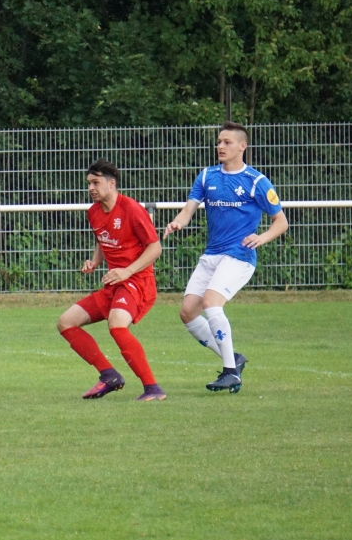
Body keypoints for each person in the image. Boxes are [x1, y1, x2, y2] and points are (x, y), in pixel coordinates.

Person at [163, 121, 288, 393]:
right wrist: (177, 223)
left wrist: (261, 237)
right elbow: (188, 210)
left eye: (227, 142)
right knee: (187, 312)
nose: (220, 146)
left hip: (239, 256)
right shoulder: (207, 176)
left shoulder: (256, 181)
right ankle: (234, 359)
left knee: (211, 303)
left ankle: (231, 372)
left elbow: (281, 222)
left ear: (242, 146)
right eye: (219, 141)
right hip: (212, 255)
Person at [57, 160, 165, 401]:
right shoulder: (93, 212)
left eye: (96, 183)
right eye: (88, 183)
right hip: (114, 284)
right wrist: (95, 261)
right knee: (66, 322)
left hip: (137, 281)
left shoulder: (132, 209)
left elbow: (155, 248)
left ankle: (153, 388)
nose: (91, 188)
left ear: (111, 183)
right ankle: (108, 375)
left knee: (116, 324)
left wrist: (126, 271)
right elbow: (103, 239)